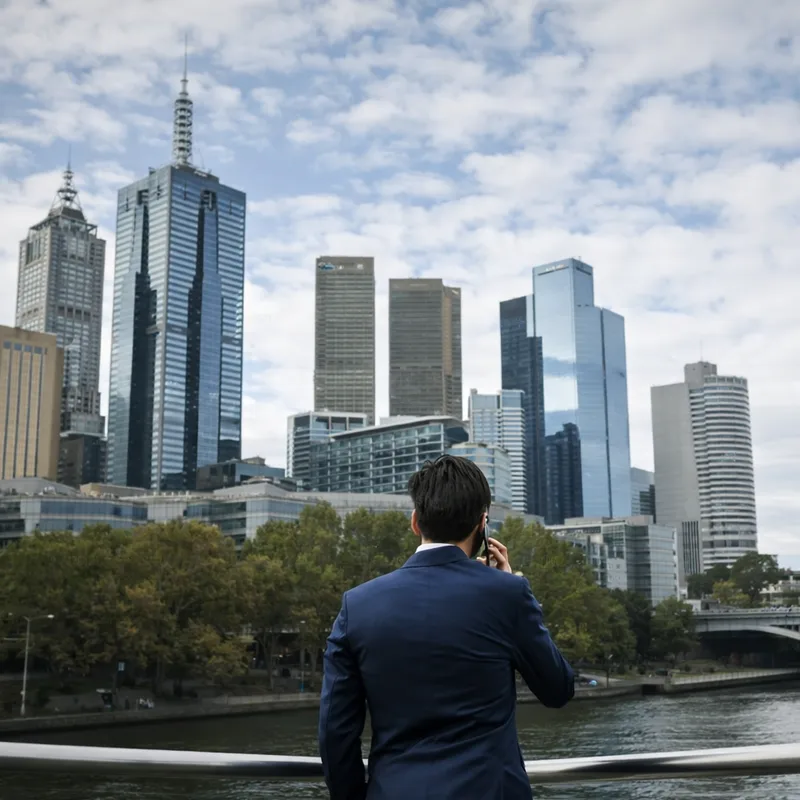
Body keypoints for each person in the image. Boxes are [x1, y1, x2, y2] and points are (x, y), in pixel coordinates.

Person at [319, 454, 574, 800]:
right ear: (482, 525)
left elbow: (335, 732)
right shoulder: (508, 594)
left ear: (415, 522)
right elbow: (557, 690)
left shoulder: (357, 605)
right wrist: (511, 588)